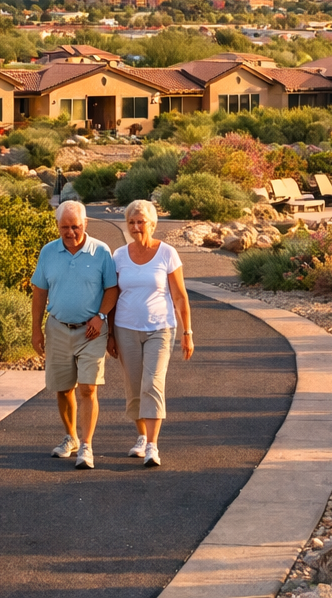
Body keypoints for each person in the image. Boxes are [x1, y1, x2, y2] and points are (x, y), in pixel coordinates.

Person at [31, 200, 118, 469]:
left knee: (88, 388)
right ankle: (71, 437)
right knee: (63, 388)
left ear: (85, 224)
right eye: (64, 227)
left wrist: (101, 317)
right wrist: (35, 329)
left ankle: (87, 445)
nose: (70, 232)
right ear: (57, 226)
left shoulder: (101, 252)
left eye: (75, 226)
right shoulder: (48, 252)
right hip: (58, 328)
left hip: (91, 331)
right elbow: (39, 292)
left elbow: (112, 290)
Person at [108, 200, 193, 467]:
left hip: (161, 328)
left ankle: (153, 446)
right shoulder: (119, 256)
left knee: (152, 383)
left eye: (140, 222)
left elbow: (180, 296)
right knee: (134, 387)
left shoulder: (167, 253)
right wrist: (110, 334)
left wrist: (187, 332)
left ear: (152, 224)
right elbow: (113, 295)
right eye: (131, 222)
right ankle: (141, 437)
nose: (135, 227)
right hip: (126, 328)